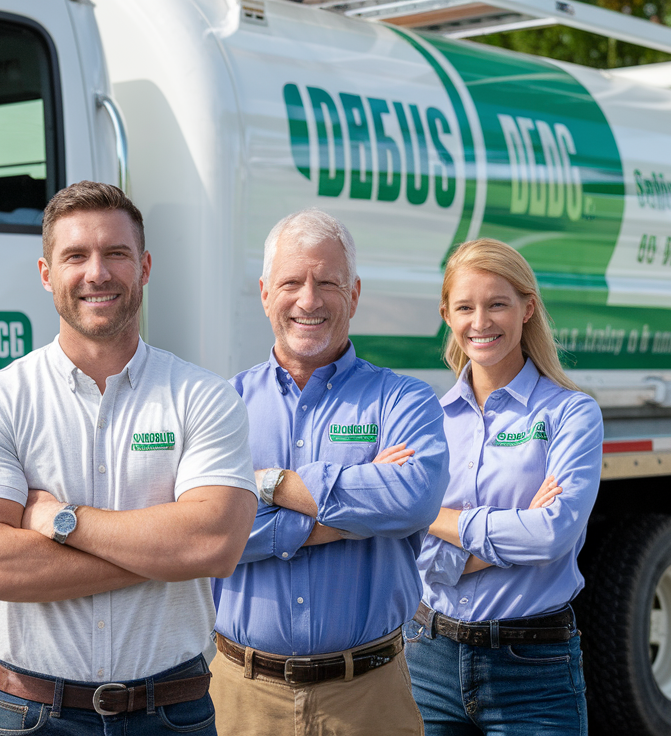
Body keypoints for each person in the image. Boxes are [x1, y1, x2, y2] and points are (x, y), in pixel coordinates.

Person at [0, 180, 258, 735]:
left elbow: (213, 544)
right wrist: (160, 553)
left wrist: (58, 520)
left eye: (116, 254)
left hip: (172, 714)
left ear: (145, 266)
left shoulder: (203, 397)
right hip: (34, 715)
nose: (97, 273)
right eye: (75, 256)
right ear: (45, 273)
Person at [210, 208, 448, 736]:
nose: (309, 299)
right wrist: (347, 518)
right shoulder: (222, 406)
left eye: (328, 282)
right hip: (242, 697)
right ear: (266, 292)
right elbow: (207, 529)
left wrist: (269, 485)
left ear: (355, 294)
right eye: (292, 282)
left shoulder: (403, 401)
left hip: (369, 697)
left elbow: (412, 501)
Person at [405, 238, 601, 736]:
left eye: (498, 304)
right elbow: (403, 544)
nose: (482, 322)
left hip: (532, 668)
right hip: (429, 660)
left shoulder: (571, 414)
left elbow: (552, 536)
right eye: (466, 307)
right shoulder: (426, 420)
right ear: (447, 314)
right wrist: (512, 536)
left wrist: (433, 518)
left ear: (527, 309)